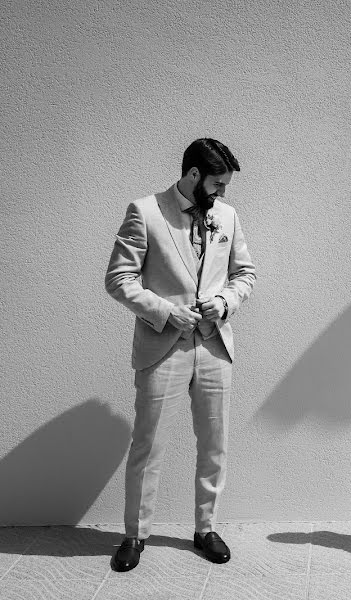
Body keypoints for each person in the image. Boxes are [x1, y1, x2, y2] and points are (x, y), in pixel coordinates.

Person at [105, 138, 256, 572]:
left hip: (214, 345)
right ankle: (134, 536)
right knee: (148, 444)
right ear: (193, 175)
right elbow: (119, 278)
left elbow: (244, 273)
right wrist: (167, 312)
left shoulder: (227, 216)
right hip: (162, 346)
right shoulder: (145, 211)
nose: (224, 193)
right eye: (218, 183)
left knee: (214, 443)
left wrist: (225, 302)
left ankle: (205, 529)